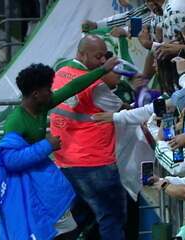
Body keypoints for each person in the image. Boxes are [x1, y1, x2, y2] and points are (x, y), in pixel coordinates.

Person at [0, 58, 117, 239]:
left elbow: (73, 87)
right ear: (36, 94)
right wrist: (46, 146)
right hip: (24, 188)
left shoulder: (42, 107)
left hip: (42, 183)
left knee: (66, 228)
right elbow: (9, 161)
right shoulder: (15, 123)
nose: (52, 92)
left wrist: (103, 70)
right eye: (48, 89)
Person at [50, 35, 126, 240]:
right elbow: (123, 111)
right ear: (82, 55)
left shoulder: (61, 73)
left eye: (105, 56)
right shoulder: (96, 86)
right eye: (98, 57)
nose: (103, 62)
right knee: (111, 217)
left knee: (76, 219)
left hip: (65, 160)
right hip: (94, 162)